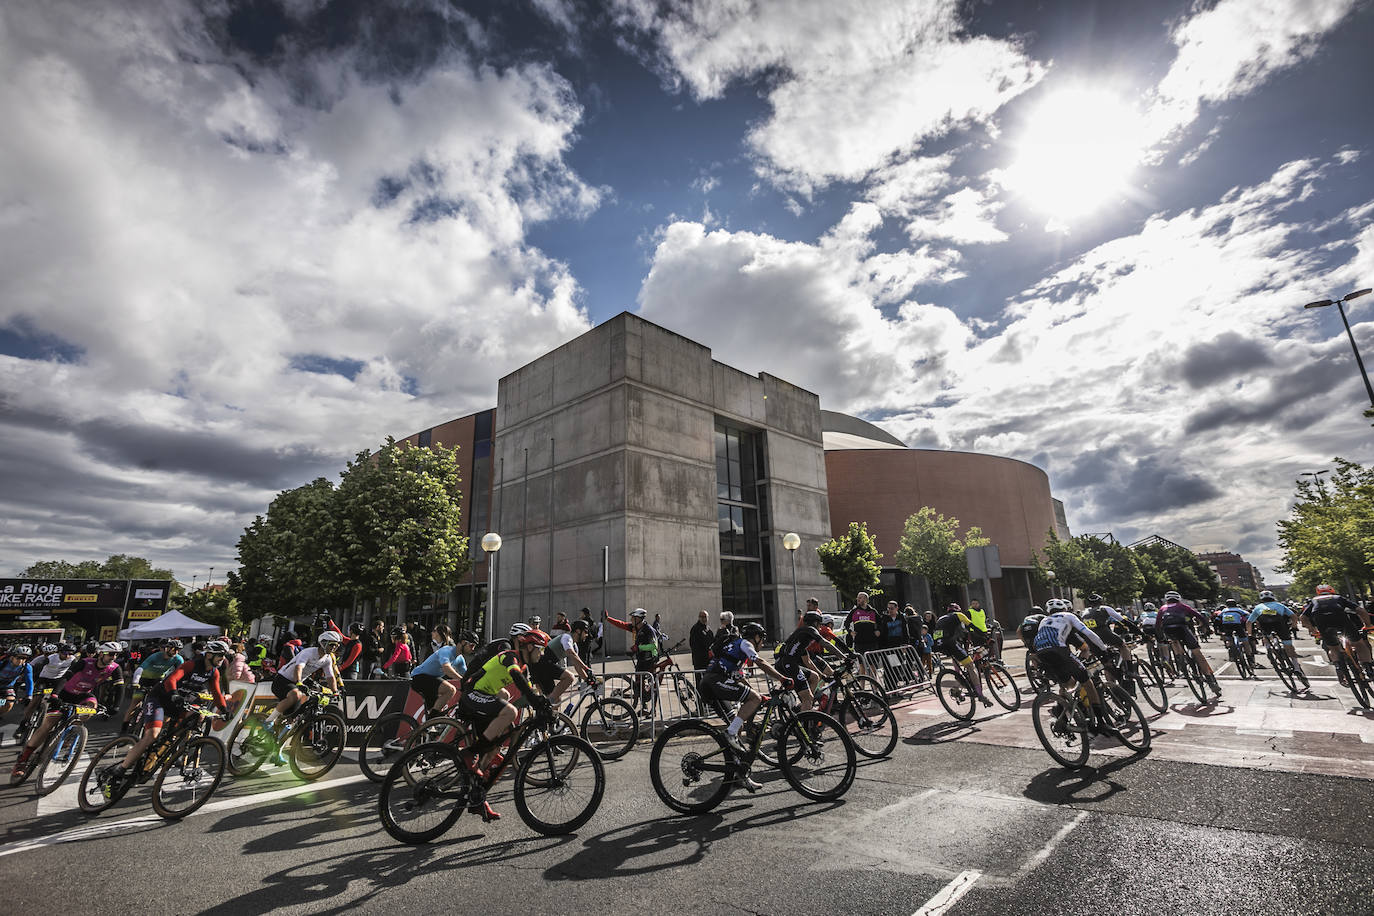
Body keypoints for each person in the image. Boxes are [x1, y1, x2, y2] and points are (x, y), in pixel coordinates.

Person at [457, 623, 555, 821]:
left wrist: (543, 702)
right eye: (541, 649)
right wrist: (535, 700)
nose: (542, 654)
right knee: (509, 711)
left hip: (483, 697)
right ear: (530, 647)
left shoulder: (524, 666)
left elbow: (529, 688)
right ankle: (469, 753)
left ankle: (478, 798)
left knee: (496, 749)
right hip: (471, 694)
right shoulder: (511, 656)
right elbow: (516, 677)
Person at [106, 639, 233, 784]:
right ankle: (122, 768)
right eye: (220, 656)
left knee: (196, 717)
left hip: (178, 702)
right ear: (209, 655)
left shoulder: (213, 672)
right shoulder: (192, 664)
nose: (222, 660)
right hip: (160, 698)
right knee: (152, 734)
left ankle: (170, 751)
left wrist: (224, 710)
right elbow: (172, 679)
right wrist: (174, 693)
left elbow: (216, 693)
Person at [700, 622, 794, 791]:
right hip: (714, 681)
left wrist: (759, 697)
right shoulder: (745, 643)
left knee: (737, 724)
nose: (762, 644)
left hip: (710, 683)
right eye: (762, 639)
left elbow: (740, 680)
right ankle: (729, 734)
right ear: (756, 637)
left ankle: (739, 774)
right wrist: (782, 679)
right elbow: (760, 661)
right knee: (734, 727)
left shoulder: (736, 650)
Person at [13, 641, 125, 776]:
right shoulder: (85, 662)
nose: (113, 657)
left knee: (92, 707)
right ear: (101, 653)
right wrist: (55, 695)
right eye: (111, 654)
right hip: (65, 693)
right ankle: (23, 759)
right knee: (48, 724)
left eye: (116, 655)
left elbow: (120, 687)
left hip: (84, 694)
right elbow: (66, 677)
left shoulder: (114, 667)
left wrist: (116, 706)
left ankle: (72, 730)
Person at [1032, 599, 1116, 728]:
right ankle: (1101, 722)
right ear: (1065, 609)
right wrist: (1104, 649)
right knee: (1087, 682)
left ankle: (1060, 710)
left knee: (1067, 684)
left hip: (1041, 653)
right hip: (1058, 650)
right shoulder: (1068, 616)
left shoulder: (1044, 620)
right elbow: (1088, 633)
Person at [265, 630, 343, 731]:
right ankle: (268, 721)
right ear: (323, 643)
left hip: (298, 682)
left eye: (336, 646)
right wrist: (299, 682)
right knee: (296, 695)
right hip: (282, 679)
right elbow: (299, 668)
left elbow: (330, 677)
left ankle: (279, 740)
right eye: (332, 644)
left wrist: (335, 691)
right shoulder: (308, 652)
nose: (334, 648)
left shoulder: (327, 659)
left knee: (292, 717)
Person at [1300, 584, 1374, 684]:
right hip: (1340, 618)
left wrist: (1314, 631)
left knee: (1333, 648)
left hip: (1322, 621)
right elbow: (1360, 610)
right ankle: (1368, 668)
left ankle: (1339, 667)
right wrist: (1368, 625)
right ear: (1332, 591)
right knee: (1359, 644)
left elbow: (1303, 618)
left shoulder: (1314, 600)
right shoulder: (1338, 597)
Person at [775, 610, 847, 711]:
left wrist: (821, 675)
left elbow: (807, 661)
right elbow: (826, 643)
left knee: (814, 677)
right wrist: (844, 657)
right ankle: (803, 720)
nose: (820, 627)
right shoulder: (809, 630)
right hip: (787, 663)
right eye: (820, 624)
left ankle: (804, 706)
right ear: (815, 623)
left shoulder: (802, 636)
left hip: (785, 663)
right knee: (808, 698)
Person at [1157, 590, 1222, 697]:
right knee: (1197, 652)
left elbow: (1157, 625)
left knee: (1174, 641)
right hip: (1182, 628)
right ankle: (1210, 681)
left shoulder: (1162, 609)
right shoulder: (1182, 606)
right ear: (1178, 599)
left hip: (1168, 630)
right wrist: (1208, 628)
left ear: (1166, 600)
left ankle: (1180, 658)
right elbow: (1199, 616)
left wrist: (1160, 638)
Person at [408, 627, 477, 720]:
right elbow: (446, 668)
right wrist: (462, 680)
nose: (473, 649)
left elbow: (467, 675)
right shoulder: (446, 650)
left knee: (437, 710)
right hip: (419, 677)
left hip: (431, 680)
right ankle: (430, 720)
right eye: (472, 645)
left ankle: (425, 728)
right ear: (463, 643)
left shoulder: (460, 659)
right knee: (450, 690)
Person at [932, 603, 990, 707]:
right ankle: (980, 694)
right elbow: (972, 627)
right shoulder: (959, 615)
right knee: (970, 666)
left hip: (938, 645)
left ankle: (957, 686)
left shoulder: (941, 618)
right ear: (958, 610)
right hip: (950, 643)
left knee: (958, 662)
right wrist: (985, 636)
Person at [1247, 590, 1307, 687]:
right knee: (1288, 646)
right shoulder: (1279, 605)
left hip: (1266, 626)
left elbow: (1249, 622)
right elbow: (1293, 616)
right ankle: (1296, 668)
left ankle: (1268, 649)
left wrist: (1250, 634)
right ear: (1273, 597)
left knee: (1266, 637)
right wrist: (1294, 626)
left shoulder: (1258, 607)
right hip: (1280, 625)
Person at [123, 640, 184, 733]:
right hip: (144, 679)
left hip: (158, 680)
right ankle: (124, 729)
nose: (175, 652)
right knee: (135, 703)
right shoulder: (156, 656)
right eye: (174, 649)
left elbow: (181, 673)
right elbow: (140, 669)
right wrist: (135, 682)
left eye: (178, 650)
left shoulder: (178, 659)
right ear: (167, 648)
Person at [533, 619, 598, 705]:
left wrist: (587, 679)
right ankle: (548, 703)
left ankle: (545, 713)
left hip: (546, 666)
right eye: (585, 632)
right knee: (569, 677)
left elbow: (577, 666)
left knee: (557, 701)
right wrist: (586, 668)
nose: (586, 635)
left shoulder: (574, 646)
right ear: (578, 631)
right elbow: (570, 653)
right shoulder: (567, 637)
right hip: (542, 664)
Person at [844, 592, 880, 663]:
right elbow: (846, 623)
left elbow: (880, 622)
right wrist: (850, 631)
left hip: (872, 642)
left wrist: (878, 630)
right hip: (859, 642)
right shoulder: (854, 611)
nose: (858, 599)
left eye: (860, 597)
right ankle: (862, 675)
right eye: (858, 597)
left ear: (866, 599)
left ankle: (872, 675)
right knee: (861, 664)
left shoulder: (873, 611)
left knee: (873, 663)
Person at [0, 646, 35, 720]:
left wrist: (29, 696)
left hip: (7, 686)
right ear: (12, 657)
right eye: (18, 657)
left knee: (10, 703)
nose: (21, 661)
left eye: (24, 658)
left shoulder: (26, 667)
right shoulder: (3, 662)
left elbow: (29, 681)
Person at [689, 610, 713, 687]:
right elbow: (693, 645)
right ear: (699, 618)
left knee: (709, 681)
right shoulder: (695, 629)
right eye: (701, 617)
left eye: (705, 617)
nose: (703, 619)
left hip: (709, 660)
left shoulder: (709, 630)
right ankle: (700, 698)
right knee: (699, 681)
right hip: (699, 661)